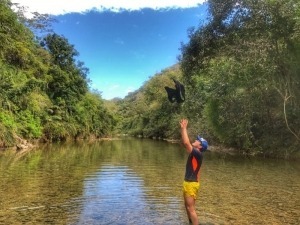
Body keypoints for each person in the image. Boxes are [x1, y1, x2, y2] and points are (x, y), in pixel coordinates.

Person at [179, 119, 208, 225]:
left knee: (191, 209)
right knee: (187, 207)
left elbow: (186, 143)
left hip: (191, 184)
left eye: (197, 141)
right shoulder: (195, 153)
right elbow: (186, 144)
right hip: (189, 183)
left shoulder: (198, 154)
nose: (195, 140)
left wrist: (184, 129)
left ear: (200, 146)